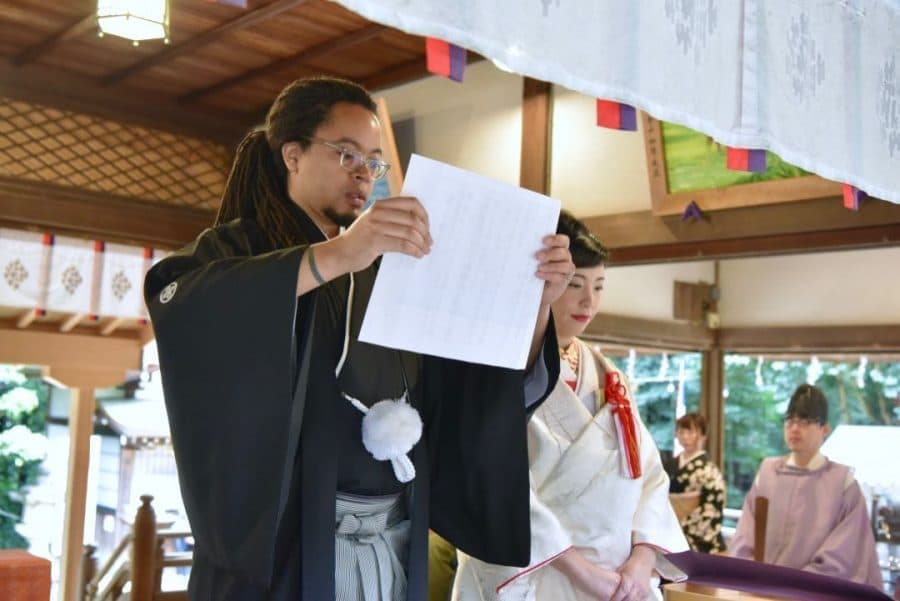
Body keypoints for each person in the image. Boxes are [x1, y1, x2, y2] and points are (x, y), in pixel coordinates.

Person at [144, 76, 574, 601]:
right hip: (286, 553)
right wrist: (340, 255)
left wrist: (535, 305)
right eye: (346, 155)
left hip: (394, 541)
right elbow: (181, 302)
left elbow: (470, 385)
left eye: (373, 162)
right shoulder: (241, 246)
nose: (363, 174)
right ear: (293, 155)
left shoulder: (393, 266)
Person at [453, 211, 688, 601]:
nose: (589, 301)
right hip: (540, 571)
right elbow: (492, 483)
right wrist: (583, 573)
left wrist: (642, 560)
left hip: (617, 578)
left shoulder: (609, 373)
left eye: (599, 286)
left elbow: (649, 476)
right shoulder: (496, 368)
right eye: (575, 284)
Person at [729, 384, 883, 588]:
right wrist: (754, 577)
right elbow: (745, 536)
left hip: (815, 592)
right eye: (790, 421)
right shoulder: (767, 473)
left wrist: (796, 585)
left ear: (824, 429)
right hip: (760, 589)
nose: (794, 428)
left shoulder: (842, 483)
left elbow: (843, 553)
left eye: (805, 422)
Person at [665, 412, 726, 553]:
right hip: (668, 532)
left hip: (694, 538)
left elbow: (713, 506)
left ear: (703, 435)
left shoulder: (709, 471)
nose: (685, 436)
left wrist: (681, 526)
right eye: (681, 431)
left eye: (690, 431)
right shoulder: (670, 464)